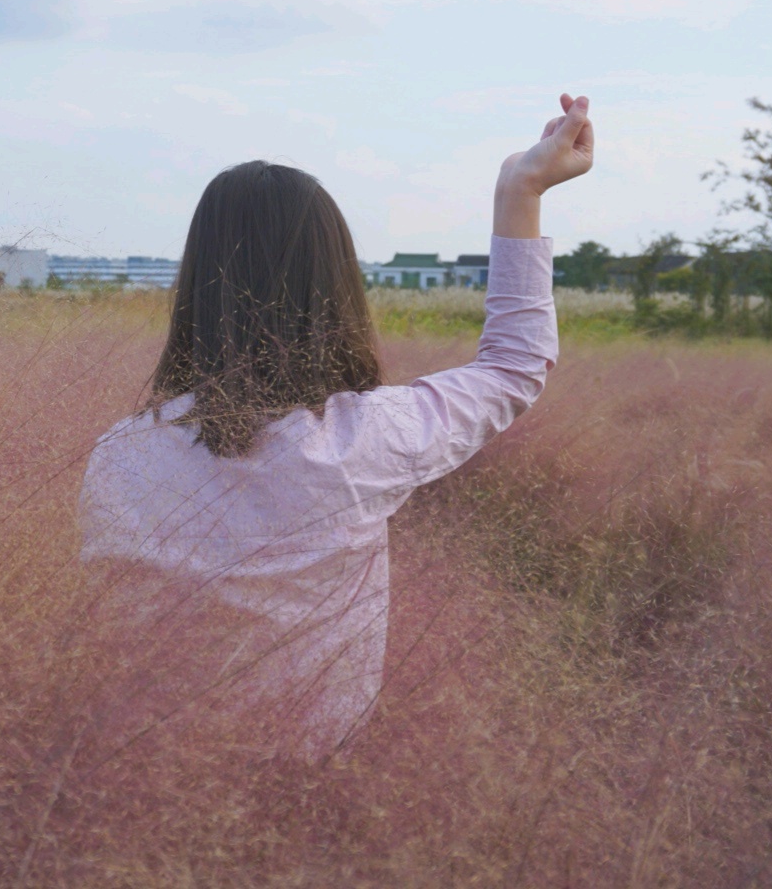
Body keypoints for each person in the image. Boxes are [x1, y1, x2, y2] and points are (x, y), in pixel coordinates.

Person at [78, 94, 592, 757]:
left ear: (197, 286)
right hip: (312, 786)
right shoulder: (359, 441)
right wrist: (518, 190)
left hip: (141, 785)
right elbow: (515, 365)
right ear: (336, 284)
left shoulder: (119, 456)